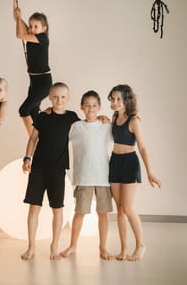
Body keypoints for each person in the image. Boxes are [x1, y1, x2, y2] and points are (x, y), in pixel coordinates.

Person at [21, 82, 79, 261]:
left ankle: (54, 245)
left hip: (58, 170)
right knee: (33, 209)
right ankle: (31, 246)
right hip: (38, 168)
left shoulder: (72, 117)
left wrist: (102, 118)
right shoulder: (42, 116)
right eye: (55, 96)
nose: (58, 100)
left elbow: (87, 128)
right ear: (49, 98)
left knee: (57, 209)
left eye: (62, 97)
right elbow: (33, 139)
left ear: (67, 98)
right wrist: (27, 158)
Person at [107, 84, 162, 261]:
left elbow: (143, 147)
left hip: (130, 163)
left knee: (128, 207)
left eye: (119, 99)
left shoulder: (134, 120)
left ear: (126, 100)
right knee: (119, 209)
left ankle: (140, 245)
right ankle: (123, 249)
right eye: (113, 99)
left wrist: (150, 172)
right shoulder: (114, 117)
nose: (115, 102)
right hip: (114, 162)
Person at [60, 90, 114, 260]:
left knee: (103, 214)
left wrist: (111, 119)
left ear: (99, 107)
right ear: (81, 107)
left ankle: (103, 247)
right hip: (84, 177)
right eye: (87, 105)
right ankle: (72, 246)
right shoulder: (75, 127)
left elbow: (121, 131)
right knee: (80, 213)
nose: (91, 108)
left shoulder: (106, 126)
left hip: (103, 177)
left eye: (94, 105)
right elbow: (57, 133)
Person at [12, 0, 52, 137]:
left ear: (44, 28)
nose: (32, 29)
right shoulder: (31, 34)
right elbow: (18, 21)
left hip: (43, 82)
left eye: (36, 26)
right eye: (31, 26)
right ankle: (44, 135)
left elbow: (19, 34)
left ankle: (33, 140)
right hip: (34, 81)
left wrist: (18, 19)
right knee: (34, 112)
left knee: (24, 110)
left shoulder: (42, 38)